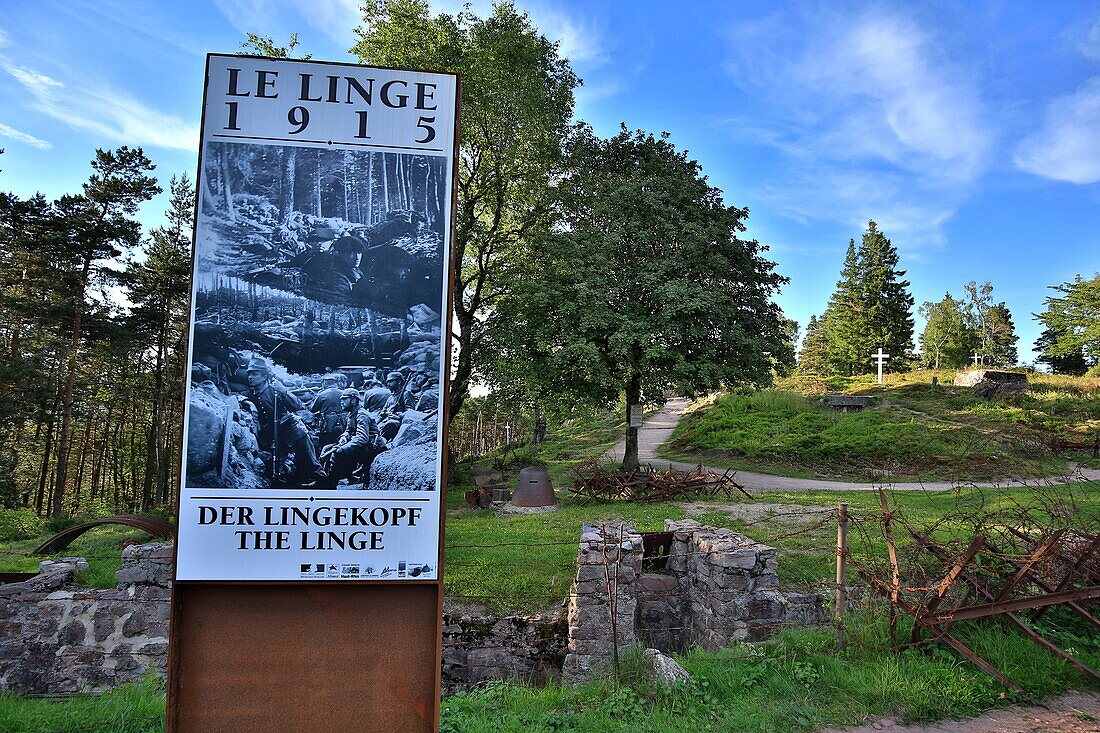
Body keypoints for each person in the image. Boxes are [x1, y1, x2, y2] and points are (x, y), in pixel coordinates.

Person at [244, 355, 325, 487]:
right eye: (249, 374)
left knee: (312, 465)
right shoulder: (253, 394)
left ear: (264, 376)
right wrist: (245, 401)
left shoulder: (276, 390)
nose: (250, 377)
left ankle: (327, 488)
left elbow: (297, 405)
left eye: (254, 374)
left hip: (295, 432)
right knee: (275, 469)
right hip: (277, 436)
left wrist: (284, 391)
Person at [321, 388, 385, 487]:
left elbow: (362, 438)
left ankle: (330, 485)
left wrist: (343, 448)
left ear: (353, 400)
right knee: (327, 448)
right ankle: (325, 478)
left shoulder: (361, 415)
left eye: (344, 399)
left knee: (338, 454)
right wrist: (344, 437)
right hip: (363, 446)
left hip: (372, 449)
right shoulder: (352, 413)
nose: (341, 402)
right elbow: (348, 430)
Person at [300, 235, 366, 303]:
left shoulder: (355, 270)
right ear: (341, 253)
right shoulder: (336, 275)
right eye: (351, 253)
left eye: (359, 252)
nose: (357, 257)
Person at [310, 373, 347, 452]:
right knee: (340, 443)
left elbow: (313, 409)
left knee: (325, 444)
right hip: (342, 422)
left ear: (325, 383)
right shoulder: (343, 393)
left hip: (327, 424)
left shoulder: (322, 394)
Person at [378, 371, 408, 441]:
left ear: (399, 381)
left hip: (397, 423)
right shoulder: (390, 397)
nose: (388, 384)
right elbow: (383, 413)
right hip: (386, 421)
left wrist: (398, 416)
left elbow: (411, 413)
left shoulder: (406, 394)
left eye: (390, 381)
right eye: (387, 382)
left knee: (391, 424)